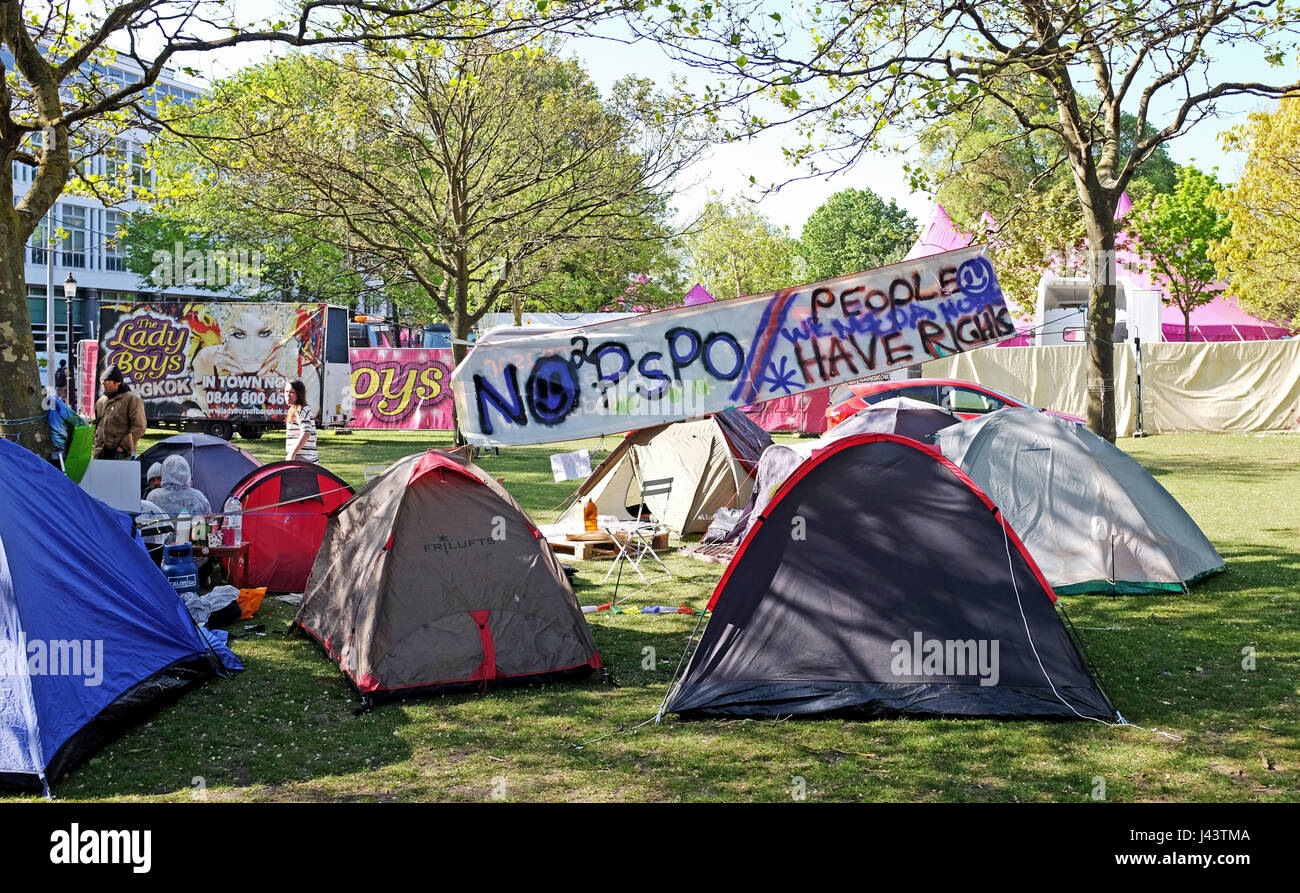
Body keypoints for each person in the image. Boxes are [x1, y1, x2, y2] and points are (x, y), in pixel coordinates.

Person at [92, 365, 147, 460]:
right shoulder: (101, 401)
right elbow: (95, 424)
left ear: (117, 383)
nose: (103, 383)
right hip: (100, 451)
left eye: (107, 381)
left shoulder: (132, 400)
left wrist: (122, 447)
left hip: (120, 454)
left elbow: (139, 427)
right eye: (102, 381)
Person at [148, 454, 213, 516]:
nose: (155, 483)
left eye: (159, 478)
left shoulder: (153, 496)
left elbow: (146, 520)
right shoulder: (199, 497)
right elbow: (209, 520)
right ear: (187, 471)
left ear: (164, 472)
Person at [284, 378, 318, 463]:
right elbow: (314, 436)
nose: (288, 395)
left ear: (299, 394)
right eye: (286, 392)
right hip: (303, 458)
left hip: (303, 459)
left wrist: (293, 453)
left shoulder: (302, 409)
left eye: (292, 393)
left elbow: (306, 433)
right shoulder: (295, 409)